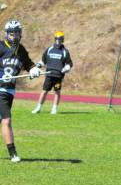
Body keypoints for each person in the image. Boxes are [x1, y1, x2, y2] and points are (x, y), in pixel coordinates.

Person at [1, 20, 41, 163]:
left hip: (9, 90)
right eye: (11, 34)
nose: (14, 36)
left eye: (16, 33)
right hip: (1, 89)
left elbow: (29, 65)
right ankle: (13, 153)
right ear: (6, 34)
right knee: (6, 120)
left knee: (4, 120)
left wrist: (33, 70)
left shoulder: (21, 50)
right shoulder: (0, 47)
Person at [32, 31, 73, 115]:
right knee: (44, 91)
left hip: (58, 76)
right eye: (57, 39)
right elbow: (43, 61)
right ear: (55, 39)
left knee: (57, 92)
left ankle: (54, 109)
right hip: (49, 75)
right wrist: (39, 65)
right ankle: (38, 108)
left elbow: (70, 63)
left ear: (62, 40)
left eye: (60, 39)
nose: (58, 41)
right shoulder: (49, 49)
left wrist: (66, 68)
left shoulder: (65, 51)